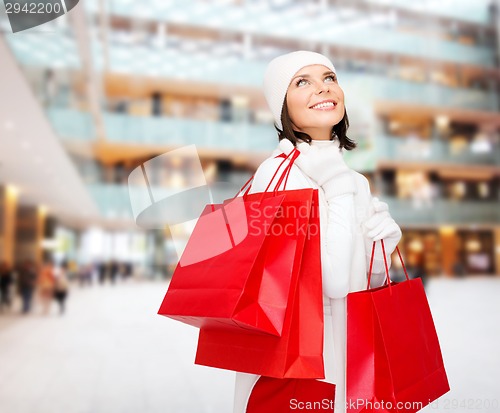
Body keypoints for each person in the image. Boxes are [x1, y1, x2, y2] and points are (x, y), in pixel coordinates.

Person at [233, 51, 402, 413]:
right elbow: (333, 280)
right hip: (298, 367)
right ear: (282, 105)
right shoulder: (278, 172)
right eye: (302, 82)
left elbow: (358, 282)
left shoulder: (354, 179)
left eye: (329, 78)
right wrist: (338, 186)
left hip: (345, 357)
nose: (322, 89)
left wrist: (381, 246)